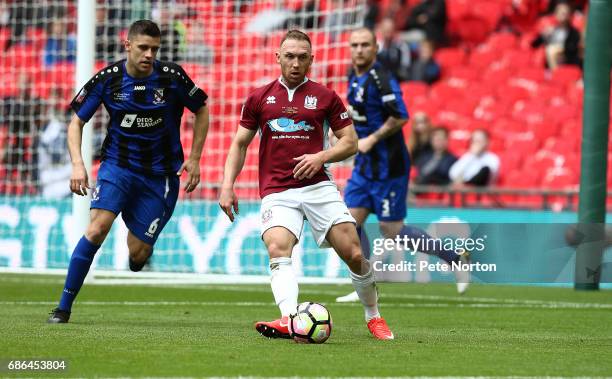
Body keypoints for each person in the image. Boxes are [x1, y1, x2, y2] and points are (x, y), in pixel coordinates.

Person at [218, 29, 394, 340]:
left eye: (302, 57)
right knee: (277, 248)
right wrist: (227, 185)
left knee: (353, 252)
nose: (296, 63)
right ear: (278, 58)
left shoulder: (326, 97)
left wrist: (320, 156)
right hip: (277, 191)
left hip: (318, 187)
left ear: (311, 59)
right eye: (289, 56)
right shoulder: (259, 98)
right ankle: (290, 319)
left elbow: (350, 142)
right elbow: (239, 144)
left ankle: (373, 316)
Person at [47, 20, 209, 323]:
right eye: (143, 48)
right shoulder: (109, 78)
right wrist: (78, 164)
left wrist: (196, 157)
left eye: (155, 49)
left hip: (160, 176)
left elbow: (202, 109)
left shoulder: (171, 76)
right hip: (117, 167)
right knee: (96, 229)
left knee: (138, 253)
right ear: (128, 45)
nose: (149, 54)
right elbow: (76, 122)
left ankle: (138, 245)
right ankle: (63, 308)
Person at [336, 28, 469, 303]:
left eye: (365, 45)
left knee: (392, 230)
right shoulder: (353, 75)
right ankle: (365, 282)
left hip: (389, 167)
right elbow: (360, 109)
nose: (359, 50)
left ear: (375, 49)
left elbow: (400, 116)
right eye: (355, 45)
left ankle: (455, 258)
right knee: (350, 222)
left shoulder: (382, 78)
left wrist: (371, 138)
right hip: (365, 166)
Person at [531, 0, 582, 69]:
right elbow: (534, 45)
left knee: (551, 50)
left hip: (567, 62)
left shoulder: (574, 32)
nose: (563, 15)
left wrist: (559, 50)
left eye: (565, 13)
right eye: (561, 12)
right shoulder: (552, 30)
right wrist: (544, 35)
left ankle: (556, 75)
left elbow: (573, 49)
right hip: (548, 63)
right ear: (556, 14)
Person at [376, 18, 412, 82]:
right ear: (381, 30)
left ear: (394, 30)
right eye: (386, 30)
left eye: (390, 30)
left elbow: (405, 66)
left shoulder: (401, 46)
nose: (388, 34)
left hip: (395, 79)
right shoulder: (375, 45)